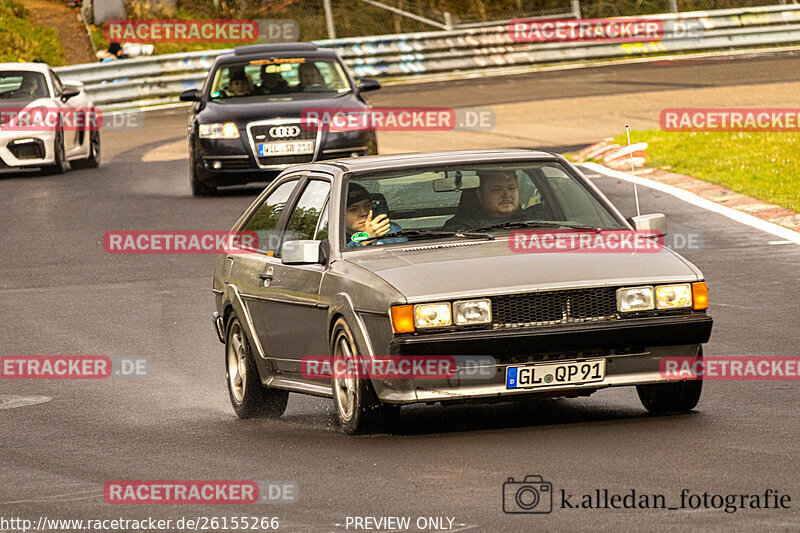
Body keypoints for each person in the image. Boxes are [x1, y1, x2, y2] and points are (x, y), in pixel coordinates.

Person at [443, 170, 539, 231]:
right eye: (497, 189)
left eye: (511, 188)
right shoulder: (458, 231)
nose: (506, 194)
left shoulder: (538, 223)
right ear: (480, 195)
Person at [345, 183, 406, 247]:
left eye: (367, 206)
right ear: (340, 215)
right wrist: (365, 239)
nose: (364, 212)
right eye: (354, 209)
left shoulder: (389, 230)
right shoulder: (335, 239)